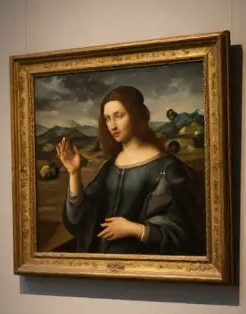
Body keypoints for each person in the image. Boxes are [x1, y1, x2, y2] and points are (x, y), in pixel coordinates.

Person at [55, 85, 203, 255]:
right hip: (102, 267)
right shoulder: (110, 167)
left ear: (137, 115)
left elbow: (181, 233)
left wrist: (133, 229)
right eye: (108, 118)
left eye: (119, 116)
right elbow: (80, 220)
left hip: (143, 268)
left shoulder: (167, 168)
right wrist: (74, 173)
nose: (112, 125)